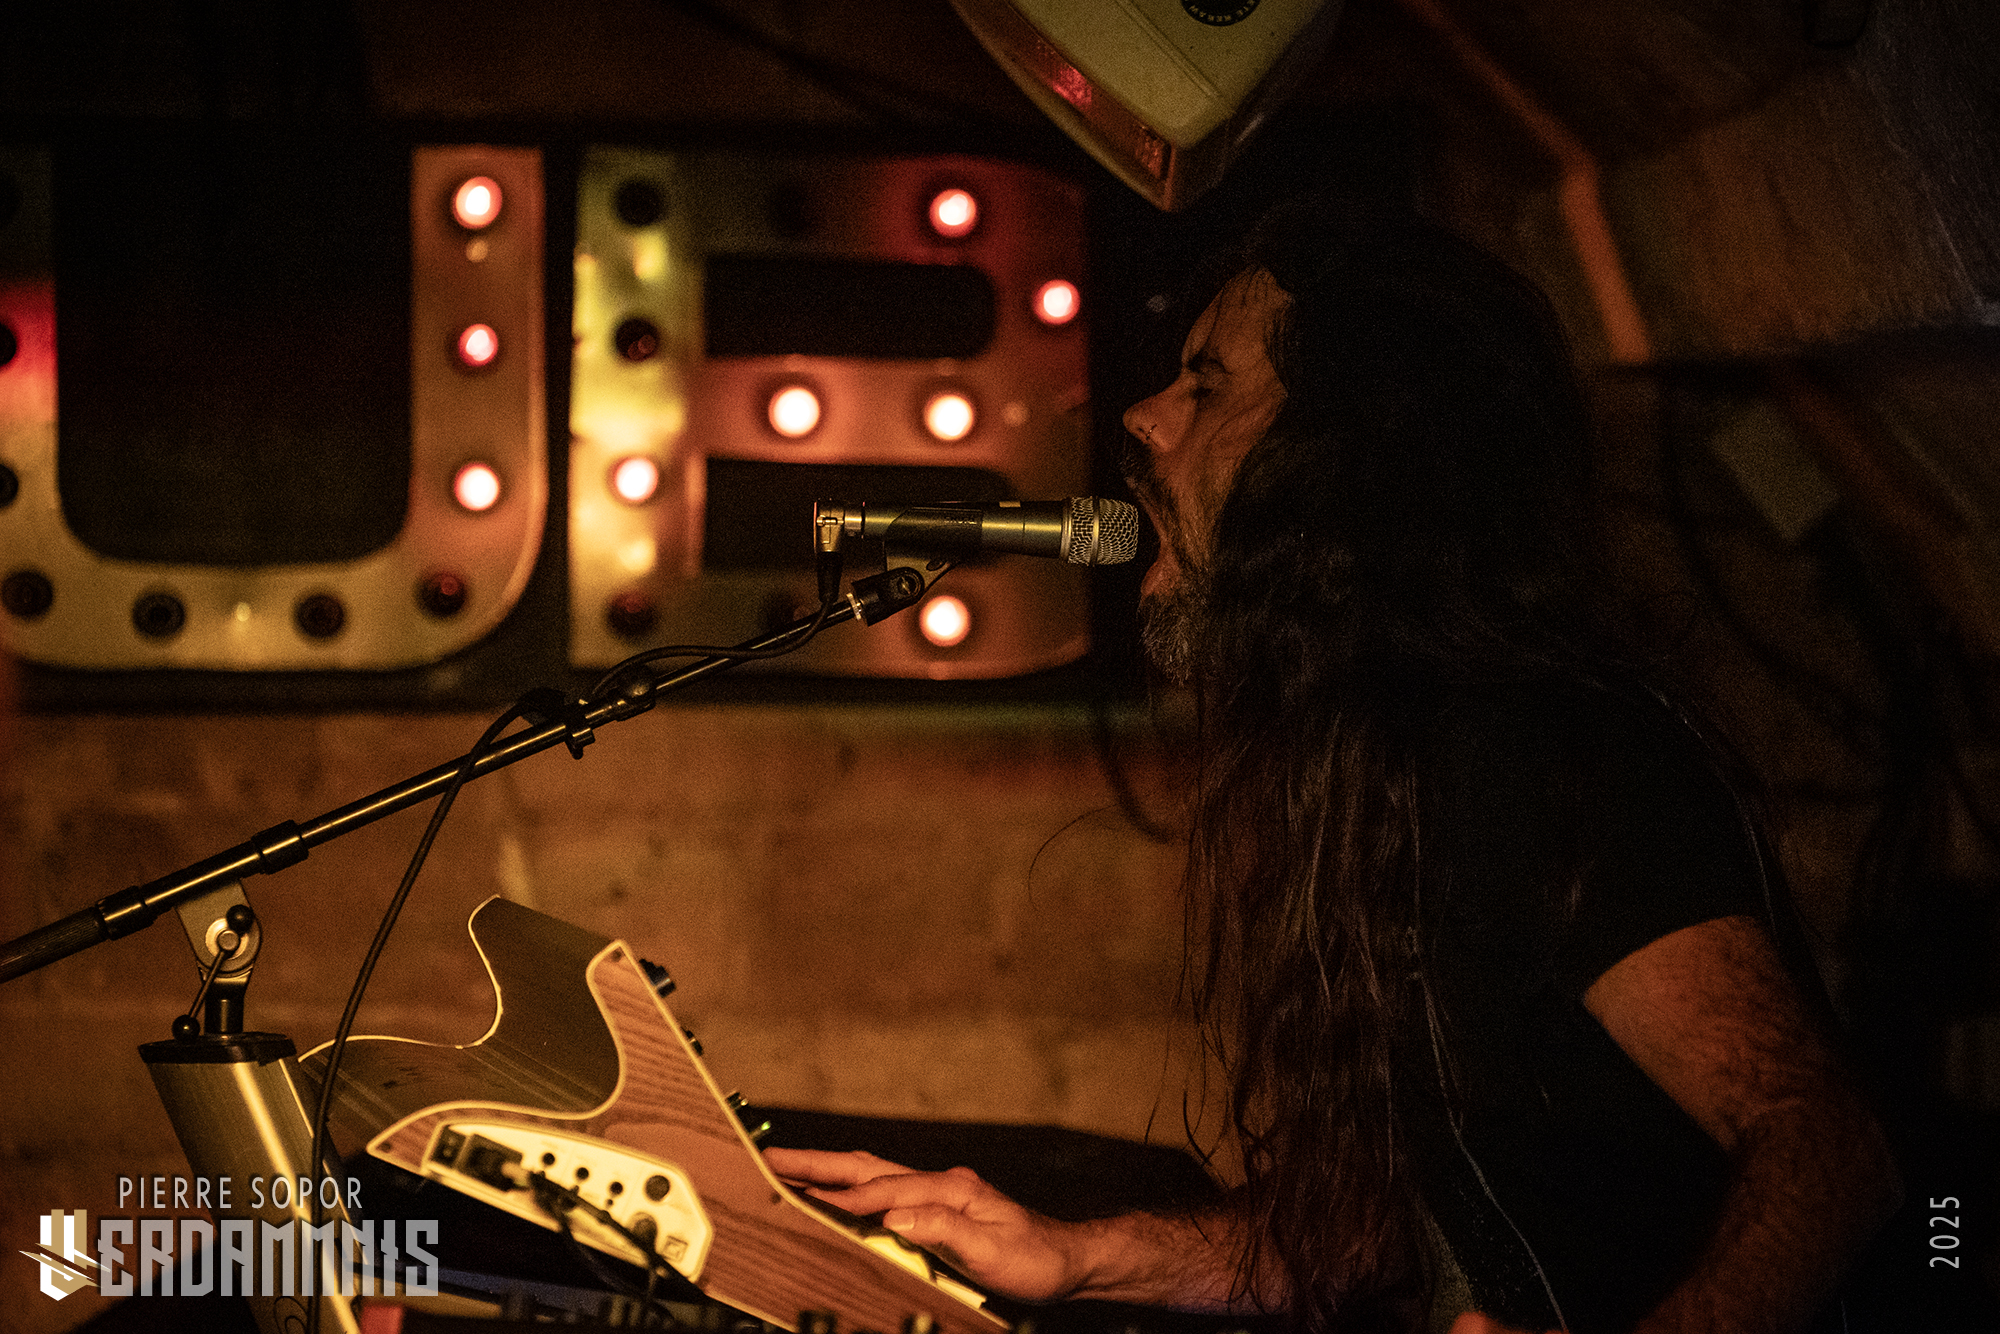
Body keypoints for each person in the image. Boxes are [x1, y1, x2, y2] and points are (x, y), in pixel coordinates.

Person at [766, 205, 1901, 1334]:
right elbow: (1386, 1235)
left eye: (1205, 384)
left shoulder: (1546, 753)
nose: (1142, 416)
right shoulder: (1383, 764)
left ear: (1344, 460)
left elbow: (1827, 1145)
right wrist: (1077, 1256)